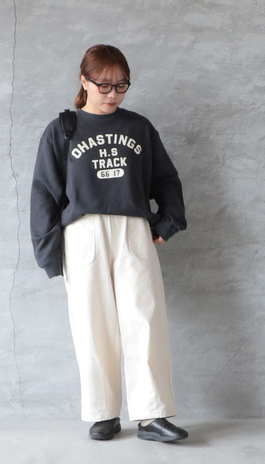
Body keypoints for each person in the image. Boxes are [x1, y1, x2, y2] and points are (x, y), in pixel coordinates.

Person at [30, 44, 188, 442]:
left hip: (133, 229)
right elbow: (44, 193)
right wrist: (48, 253)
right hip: (83, 234)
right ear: (84, 81)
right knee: (92, 325)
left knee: (145, 321)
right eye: (103, 85)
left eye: (121, 85)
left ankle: (152, 416)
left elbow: (166, 179)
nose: (112, 94)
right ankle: (103, 414)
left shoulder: (139, 128)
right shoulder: (62, 130)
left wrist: (168, 222)